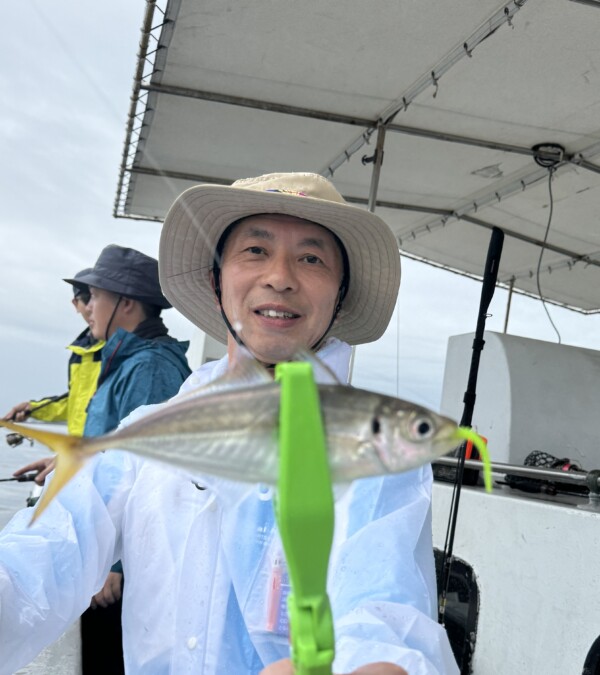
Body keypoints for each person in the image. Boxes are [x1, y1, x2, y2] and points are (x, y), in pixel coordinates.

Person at [0, 173, 458, 675]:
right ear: (217, 282)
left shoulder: (377, 451)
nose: (280, 276)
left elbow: (384, 610)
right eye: (255, 251)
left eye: (312, 258)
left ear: (340, 294)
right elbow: (38, 560)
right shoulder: (143, 436)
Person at [71, 244, 192, 674]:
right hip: (98, 549)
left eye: (95, 296)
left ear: (125, 303)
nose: (87, 308)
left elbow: (149, 468)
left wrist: (116, 566)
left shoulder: (151, 369)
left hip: (117, 569)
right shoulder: (126, 361)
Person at [3, 269, 104, 484]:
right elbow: (74, 402)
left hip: (96, 462)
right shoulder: (79, 353)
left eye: (95, 297)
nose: (89, 306)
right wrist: (32, 408)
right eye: (85, 298)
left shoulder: (119, 351)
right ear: (75, 304)